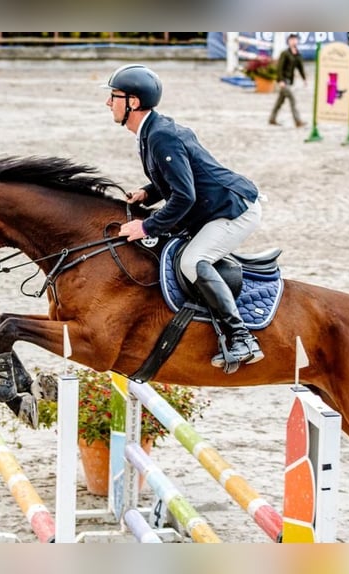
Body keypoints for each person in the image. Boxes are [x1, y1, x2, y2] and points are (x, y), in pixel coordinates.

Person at [106, 64, 264, 368]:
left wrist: (147, 225)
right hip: (211, 204)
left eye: (114, 97)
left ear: (133, 103)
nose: (108, 103)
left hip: (233, 210)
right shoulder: (151, 130)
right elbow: (177, 179)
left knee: (193, 261)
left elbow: (184, 196)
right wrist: (148, 193)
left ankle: (242, 337)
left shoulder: (160, 135)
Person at [269, 33, 307, 127]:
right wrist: (280, 80)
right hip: (284, 81)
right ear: (288, 42)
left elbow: (300, 67)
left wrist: (304, 78)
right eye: (291, 40)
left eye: (295, 39)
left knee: (279, 101)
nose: (293, 41)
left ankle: (272, 118)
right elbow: (279, 68)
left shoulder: (298, 54)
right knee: (292, 100)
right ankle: (297, 121)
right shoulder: (285, 53)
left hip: (290, 81)